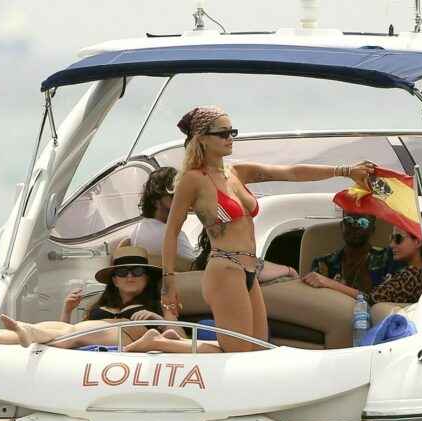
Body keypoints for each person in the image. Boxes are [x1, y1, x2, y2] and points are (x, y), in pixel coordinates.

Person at [131, 105, 375, 354]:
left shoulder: (236, 173)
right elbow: (171, 232)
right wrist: (168, 284)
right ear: (202, 138)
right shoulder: (193, 180)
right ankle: (158, 342)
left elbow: (290, 173)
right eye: (222, 133)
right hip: (224, 269)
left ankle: (173, 341)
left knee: (257, 349)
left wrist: (345, 171)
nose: (230, 138)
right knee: (238, 353)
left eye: (232, 132)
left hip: (249, 270)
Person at [0, 246, 181, 349]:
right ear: (114, 280)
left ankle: (28, 334)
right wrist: (67, 310)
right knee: (61, 329)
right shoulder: (102, 305)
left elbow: (181, 338)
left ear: (147, 278)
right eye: (122, 272)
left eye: (136, 271)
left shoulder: (160, 303)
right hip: (90, 332)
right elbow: (71, 330)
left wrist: (155, 318)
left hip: (126, 335)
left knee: (69, 332)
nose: (130, 276)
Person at [303, 222, 422, 306]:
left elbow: (371, 299)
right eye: (391, 238)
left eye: (398, 239)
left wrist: (328, 283)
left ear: (418, 242)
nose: (392, 245)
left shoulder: (413, 275)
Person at [303, 209, 400, 293]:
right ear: (342, 226)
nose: (355, 226)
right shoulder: (322, 263)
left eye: (363, 222)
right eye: (349, 220)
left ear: (373, 229)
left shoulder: (390, 257)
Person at [118, 167, 197, 260]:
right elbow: (195, 267)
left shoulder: (137, 231)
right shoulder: (174, 237)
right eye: (173, 196)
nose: (181, 202)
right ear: (155, 201)